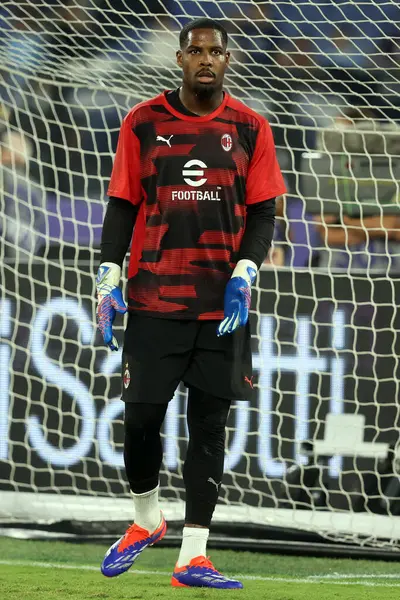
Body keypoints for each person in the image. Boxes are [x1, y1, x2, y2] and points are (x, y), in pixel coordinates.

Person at [96, 17, 286, 589]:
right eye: (196, 51)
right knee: (141, 419)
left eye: (216, 52)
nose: (206, 60)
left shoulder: (251, 127)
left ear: (228, 60)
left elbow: (263, 213)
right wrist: (108, 275)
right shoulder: (143, 121)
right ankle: (147, 520)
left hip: (220, 306)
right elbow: (123, 203)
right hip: (154, 296)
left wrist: (246, 272)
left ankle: (193, 556)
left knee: (209, 426)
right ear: (179, 59)